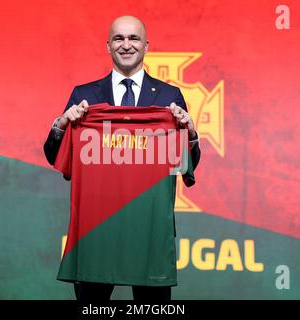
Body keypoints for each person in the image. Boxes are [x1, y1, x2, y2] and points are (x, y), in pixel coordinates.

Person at [43, 15, 201, 301]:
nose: (126, 45)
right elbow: (56, 156)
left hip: (149, 230)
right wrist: (63, 124)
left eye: (133, 38)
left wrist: (189, 132)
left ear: (146, 46)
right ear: (108, 46)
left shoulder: (169, 96)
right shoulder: (84, 95)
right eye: (119, 38)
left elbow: (184, 166)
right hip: (96, 230)